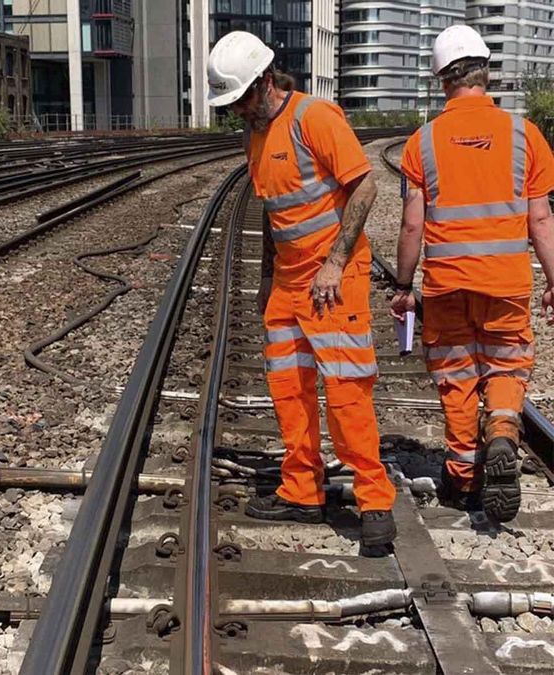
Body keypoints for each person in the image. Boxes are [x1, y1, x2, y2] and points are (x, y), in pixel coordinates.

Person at [206, 31, 397, 549]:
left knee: (346, 393)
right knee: (289, 390)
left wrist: (335, 263)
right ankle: (302, 490)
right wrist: (270, 284)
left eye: (242, 98)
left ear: (266, 81)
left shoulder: (314, 117)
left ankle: (374, 500)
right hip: (290, 284)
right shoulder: (255, 135)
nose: (239, 110)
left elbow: (365, 185)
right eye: (232, 104)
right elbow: (275, 216)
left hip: (334, 279)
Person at [392, 25, 554, 522]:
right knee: (505, 367)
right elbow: (541, 218)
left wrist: (403, 286)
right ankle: (503, 430)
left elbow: (412, 223)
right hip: (505, 282)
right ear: (487, 72)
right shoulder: (525, 136)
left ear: (443, 79)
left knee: (457, 377)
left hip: (445, 285)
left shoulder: (421, 143)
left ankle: (462, 478)